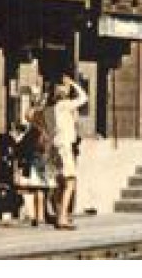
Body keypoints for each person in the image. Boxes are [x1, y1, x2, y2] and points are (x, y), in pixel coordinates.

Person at [44, 74, 87, 231]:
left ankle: (58, 214)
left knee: (59, 183)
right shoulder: (62, 105)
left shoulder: (48, 109)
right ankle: (62, 217)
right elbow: (83, 98)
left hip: (53, 147)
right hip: (63, 147)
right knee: (70, 182)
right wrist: (74, 84)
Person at [12, 104, 51, 227]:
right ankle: (41, 216)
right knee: (41, 190)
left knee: (37, 189)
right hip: (44, 161)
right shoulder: (45, 129)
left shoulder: (34, 131)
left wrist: (16, 140)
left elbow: (22, 147)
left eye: (28, 116)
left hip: (35, 161)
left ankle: (38, 217)